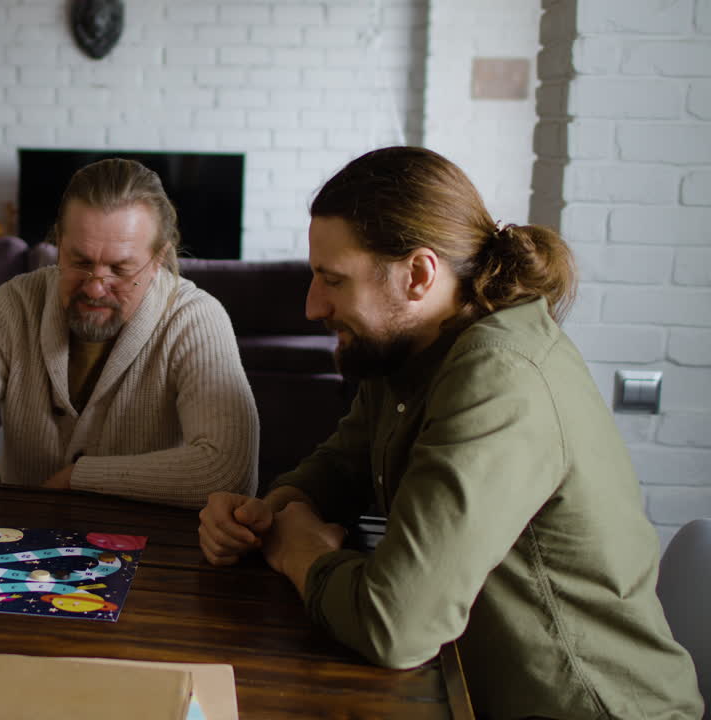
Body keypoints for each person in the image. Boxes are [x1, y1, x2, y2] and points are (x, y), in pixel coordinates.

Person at [198, 147, 703, 718]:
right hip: (464, 691)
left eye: (332, 280)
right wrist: (269, 511)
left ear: (418, 274)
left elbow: (397, 626)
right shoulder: (410, 347)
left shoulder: (498, 378)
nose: (313, 306)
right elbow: (339, 464)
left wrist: (299, 552)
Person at [0, 158, 258, 509]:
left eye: (121, 268)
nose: (96, 287)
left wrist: (80, 478)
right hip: (20, 545)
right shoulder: (16, 305)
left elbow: (228, 469)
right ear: (58, 244)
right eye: (80, 262)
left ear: (159, 258)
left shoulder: (195, 318)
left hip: (152, 552)